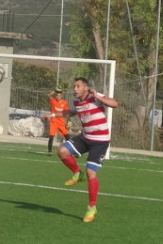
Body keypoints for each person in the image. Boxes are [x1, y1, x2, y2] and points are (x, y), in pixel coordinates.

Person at [43, 77, 118, 223]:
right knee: (62, 151)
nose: (75, 89)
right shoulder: (77, 101)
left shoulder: (94, 96)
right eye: (74, 86)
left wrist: (98, 97)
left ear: (85, 88)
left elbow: (114, 104)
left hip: (100, 141)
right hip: (85, 137)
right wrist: (52, 115)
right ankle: (78, 173)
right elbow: (70, 113)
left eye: (78, 86)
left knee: (91, 172)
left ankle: (92, 208)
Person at [47, 86, 71, 155]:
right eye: (57, 95)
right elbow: (49, 95)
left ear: (61, 96)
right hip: (54, 121)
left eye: (60, 95)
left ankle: (73, 150)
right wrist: (55, 91)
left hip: (61, 122)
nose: (58, 96)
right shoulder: (53, 101)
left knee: (67, 137)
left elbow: (67, 112)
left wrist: (69, 120)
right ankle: (50, 151)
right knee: (51, 136)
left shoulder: (64, 102)